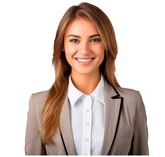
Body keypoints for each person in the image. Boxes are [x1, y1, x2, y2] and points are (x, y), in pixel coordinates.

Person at [25, 2, 148, 155]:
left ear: (106, 44)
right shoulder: (39, 105)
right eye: (74, 40)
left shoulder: (132, 102)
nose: (84, 50)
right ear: (62, 45)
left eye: (95, 40)